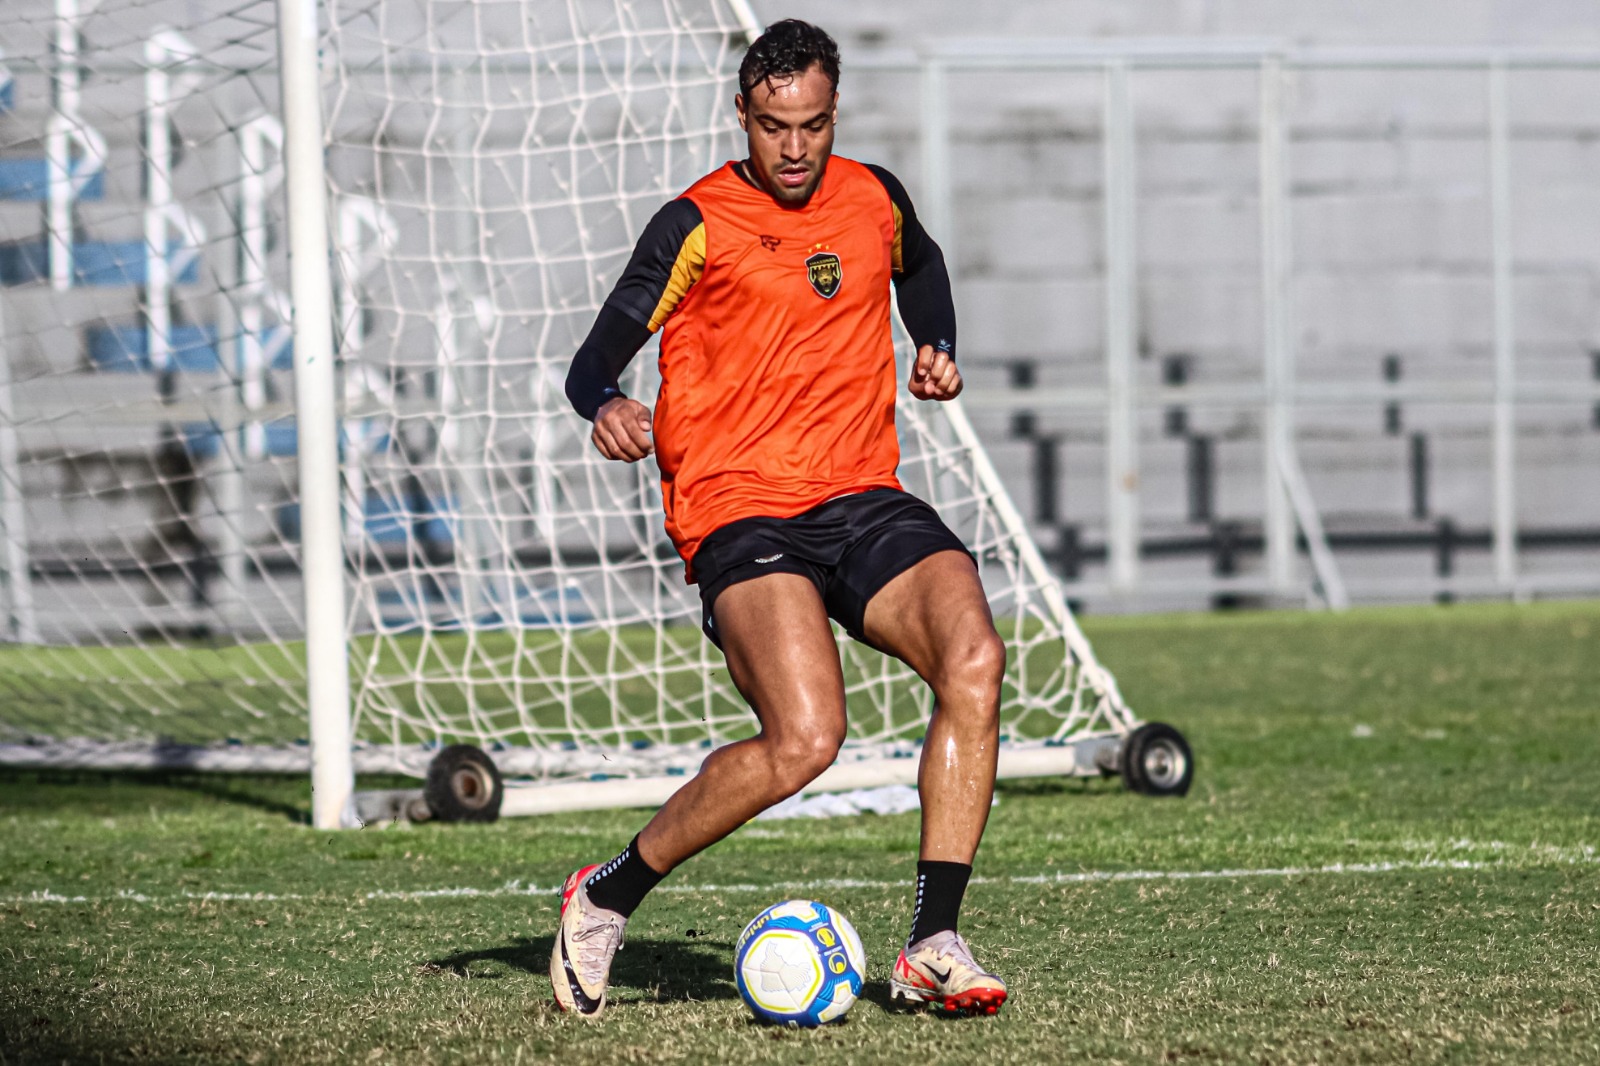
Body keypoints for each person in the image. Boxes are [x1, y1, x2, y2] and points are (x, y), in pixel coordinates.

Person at [553, 19, 1007, 1019]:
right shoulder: (697, 223)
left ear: (833, 113)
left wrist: (935, 340)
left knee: (973, 656)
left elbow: (920, 268)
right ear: (743, 117)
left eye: (810, 125)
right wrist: (608, 404)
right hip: (738, 505)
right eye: (771, 127)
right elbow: (595, 356)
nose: (793, 148)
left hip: (859, 493)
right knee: (805, 739)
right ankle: (605, 895)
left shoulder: (873, 197)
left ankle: (934, 939)